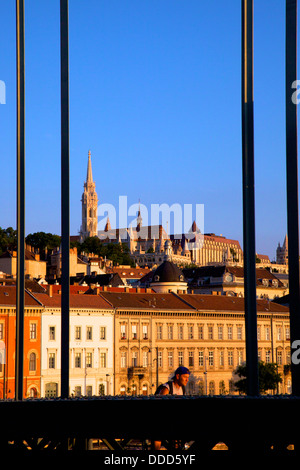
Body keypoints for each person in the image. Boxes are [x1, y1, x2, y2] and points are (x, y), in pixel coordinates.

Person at [152, 367, 191, 450]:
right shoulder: (167, 388)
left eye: (187, 377)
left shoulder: (182, 389)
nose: (187, 380)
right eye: (185, 377)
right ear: (177, 376)